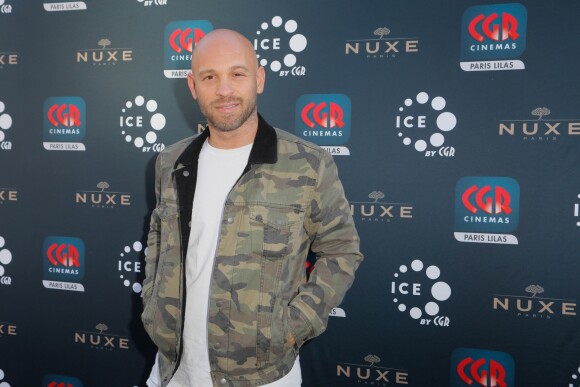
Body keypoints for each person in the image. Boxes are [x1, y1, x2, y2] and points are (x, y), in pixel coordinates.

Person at [141, 29, 363, 387]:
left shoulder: (307, 164)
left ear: (258, 79)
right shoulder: (171, 162)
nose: (224, 89)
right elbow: (158, 233)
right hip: (172, 368)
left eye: (237, 74)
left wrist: (292, 328)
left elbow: (342, 251)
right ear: (193, 85)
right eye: (210, 77)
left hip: (263, 375)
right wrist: (153, 300)